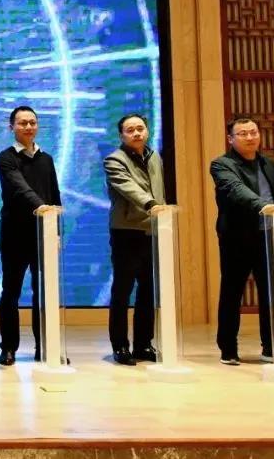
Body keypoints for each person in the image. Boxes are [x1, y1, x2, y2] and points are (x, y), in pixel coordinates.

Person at [210, 116, 274, 365]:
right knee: (232, 293)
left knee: (270, 293)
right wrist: (263, 205)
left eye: (253, 132)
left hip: (268, 235)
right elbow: (236, 190)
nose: (250, 137)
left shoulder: (268, 163)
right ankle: (228, 349)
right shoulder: (222, 164)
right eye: (243, 134)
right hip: (237, 237)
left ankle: (271, 346)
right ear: (230, 139)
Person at [0, 106, 61, 366]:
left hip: (43, 234)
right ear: (11, 127)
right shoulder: (5, 158)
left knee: (44, 293)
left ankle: (45, 346)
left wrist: (56, 230)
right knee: (10, 292)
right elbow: (19, 187)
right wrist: (41, 207)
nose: (28, 127)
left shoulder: (47, 159)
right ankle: (8, 348)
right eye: (22, 123)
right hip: (14, 235)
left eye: (32, 122)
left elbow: (55, 195)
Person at [103, 113, 166, 365]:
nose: (137, 133)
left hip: (152, 230)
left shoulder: (154, 156)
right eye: (130, 130)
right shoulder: (114, 160)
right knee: (122, 290)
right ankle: (120, 345)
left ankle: (143, 344)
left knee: (148, 291)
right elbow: (128, 187)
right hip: (126, 232)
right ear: (121, 135)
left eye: (140, 128)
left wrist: (161, 212)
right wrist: (151, 204)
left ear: (147, 131)